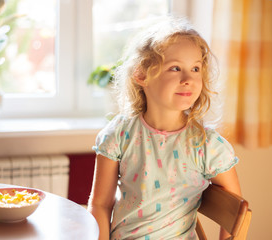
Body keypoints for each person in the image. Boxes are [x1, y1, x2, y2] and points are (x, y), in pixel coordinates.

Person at [87, 16, 241, 240]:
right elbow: (100, 205)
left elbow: (234, 212)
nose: (188, 78)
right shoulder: (120, 134)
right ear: (141, 75)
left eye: (196, 68)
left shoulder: (207, 145)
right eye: (175, 68)